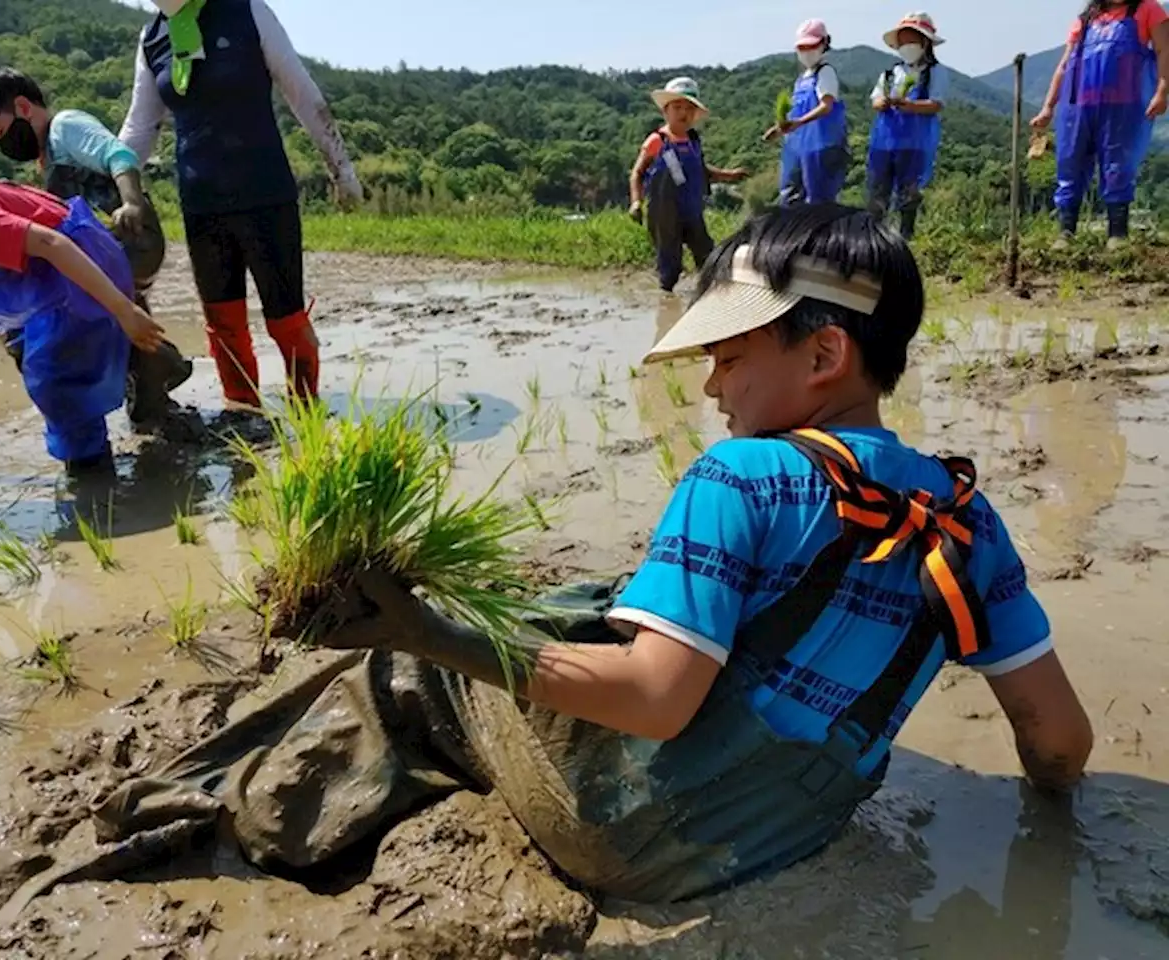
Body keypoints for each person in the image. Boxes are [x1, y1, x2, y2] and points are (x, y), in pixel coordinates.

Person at [74, 203, 1093, 910]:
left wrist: (434, 631)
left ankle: (216, 818)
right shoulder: (970, 521)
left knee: (413, 674)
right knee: (588, 601)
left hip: (630, 836)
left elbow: (654, 700)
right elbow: (1056, 741)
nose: (709, 391)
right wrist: (1049, 827)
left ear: (822, 355)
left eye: (730, 356)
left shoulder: (739, 480)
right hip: (777, 835)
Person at [0, 110, 167, 474]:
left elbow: (52, 243)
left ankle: (93, 481)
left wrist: (123, 309)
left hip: (79, 265)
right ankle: (153, 372)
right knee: (36, 358)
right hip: (51, 279)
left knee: (55, 380)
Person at [118, 0, 364, 409]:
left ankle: (306, 413)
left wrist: (343, 171)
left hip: (265, 194)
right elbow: (140, 126)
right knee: (222, 322)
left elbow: (302, 94)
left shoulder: (247, 10)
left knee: (286, 318)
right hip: (201, 205)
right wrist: (109, 182)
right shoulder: (153, 38)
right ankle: (243, 413)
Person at [0, 67, 192, 427]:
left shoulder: (65, 126)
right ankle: (151, 388)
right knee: (111, 315)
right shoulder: (48, 158)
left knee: (56, 308)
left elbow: (118, 154)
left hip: (128, 237)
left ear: (23, 107)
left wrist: (131, 203)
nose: (3, 144)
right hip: (102, 248)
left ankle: (159, 364)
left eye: (1, 133)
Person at [1030, 0, 1169, 249]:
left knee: (1118, 165)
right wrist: (1048, 107)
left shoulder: (1147, 9)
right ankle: (1065, 233)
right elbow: (1064, 66)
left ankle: (1117, 234)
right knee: (1070, 163)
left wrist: (1161, 92)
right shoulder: (1085, 20)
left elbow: (1164, 50)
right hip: (1078, 107)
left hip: (1123, 106)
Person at [629, 77, 748, 293]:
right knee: (669, 261)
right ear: (666, 111)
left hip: (692, 209)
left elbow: (702, 172)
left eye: (688, 109)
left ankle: (712, 295)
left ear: (695, 114)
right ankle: (666, 299)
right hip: (664, 213)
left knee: (707, 253)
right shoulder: (656, 141)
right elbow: (637, 173)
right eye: (677, 107)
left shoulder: (693, 141)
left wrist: (729, 175)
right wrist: (636, 202)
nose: (683, 113)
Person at [866, 12, 950, 240]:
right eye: (902, 41)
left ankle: (905, 237)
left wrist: (909, 105)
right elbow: (875, 99)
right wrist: (881, 103)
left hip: (915, 142)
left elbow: (936, 104)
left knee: (909, 192)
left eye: (912, 39)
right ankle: (875, 236)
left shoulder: (935, 72)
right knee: (878, 190)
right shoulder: (891, 73)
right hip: (885, 141)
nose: (907, 46)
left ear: (925, 43)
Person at [766, 19, 850, 206]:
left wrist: (799, 123)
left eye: (811, 46)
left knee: (819, 200)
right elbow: (796, 113)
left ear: (824, 44)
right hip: (800, 148)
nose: (807, 52)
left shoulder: (825, 73)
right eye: (802, 47)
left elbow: (826, 105)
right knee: (791, 197)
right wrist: (779, 129)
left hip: (823, 147)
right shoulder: (802, 79)